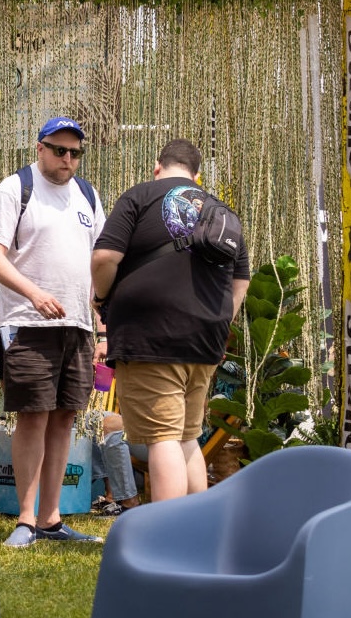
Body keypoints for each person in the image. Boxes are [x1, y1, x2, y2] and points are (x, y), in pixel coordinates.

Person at [90, 138, 251, 502]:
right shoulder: (220, 209)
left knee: (162, 439)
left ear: (157, 167)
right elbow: (241, 279)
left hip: (153, 338)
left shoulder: (140, 197)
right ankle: (194, 529)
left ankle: (167, 535)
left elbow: (104, 258)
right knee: (186, 436)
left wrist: (101, 298)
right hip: (205, 341)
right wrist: (221, 322)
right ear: (197, 175)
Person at [0, 116, 106, 547]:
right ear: (39, 148)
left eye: (75, 152)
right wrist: (33, 294)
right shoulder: (16, 188)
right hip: (28, 323)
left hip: (78, 325)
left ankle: (52, 518)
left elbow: (98, 261)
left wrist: (101, 308)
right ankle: (26, 518)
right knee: (32, 415)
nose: (67, 159)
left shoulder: (88, 195)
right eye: (59, 150)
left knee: (66, 416)